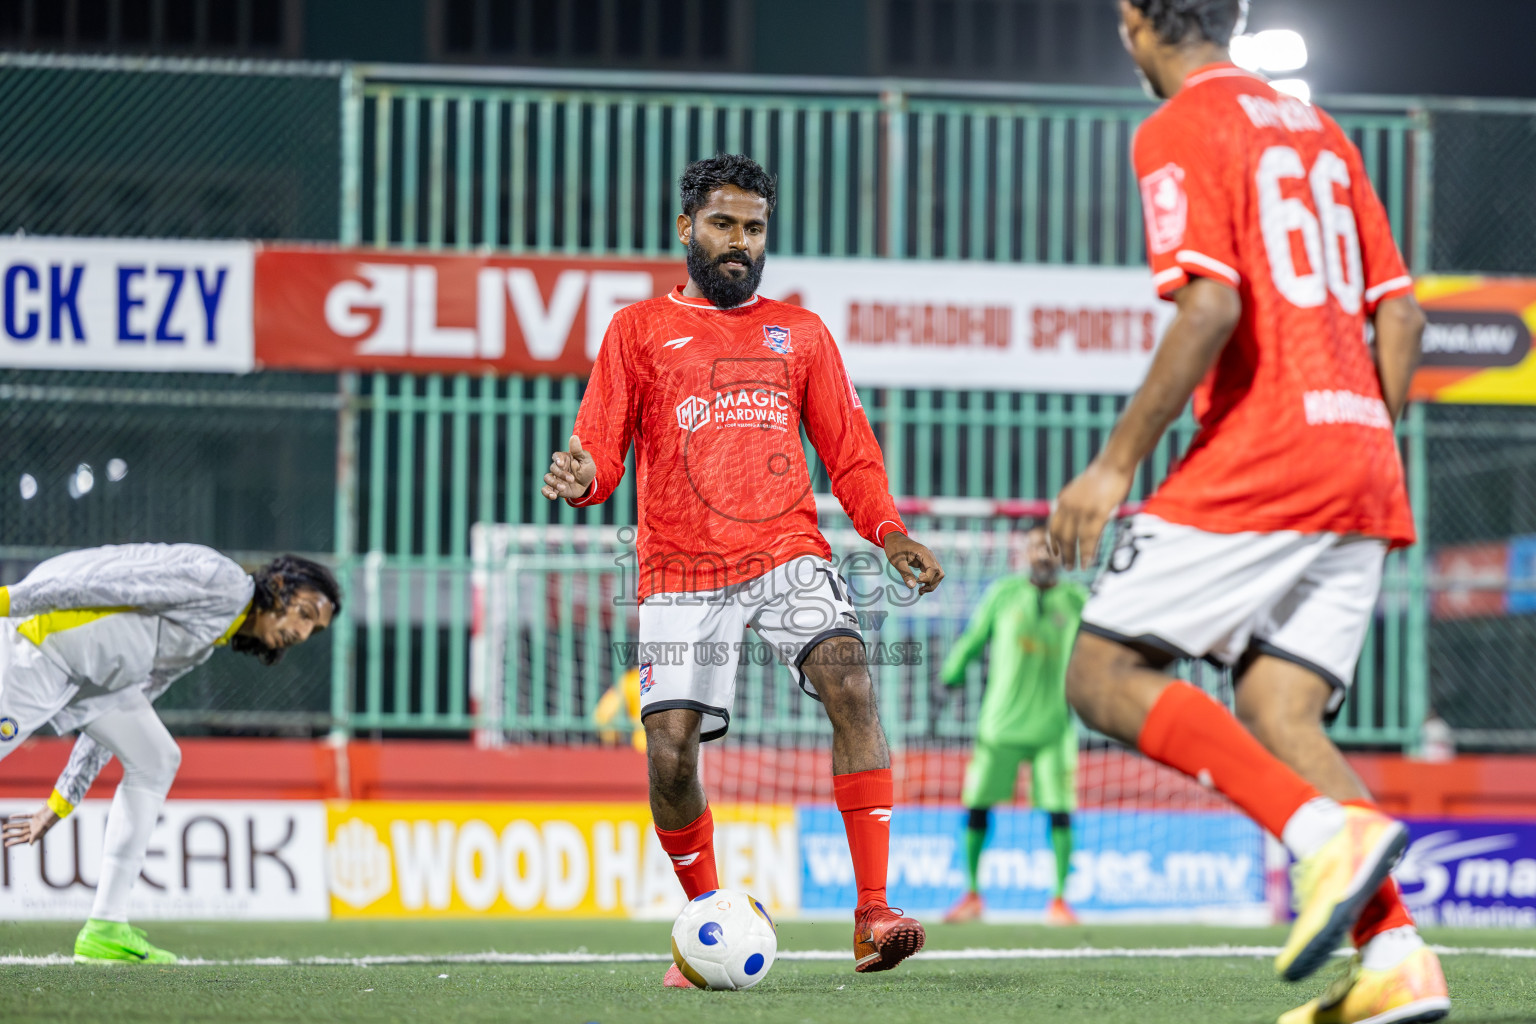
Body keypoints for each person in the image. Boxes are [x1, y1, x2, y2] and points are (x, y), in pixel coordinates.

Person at [1047, 3, 1447, 1023]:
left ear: (1134, 20)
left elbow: (1212, 305)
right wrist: (1360, 433)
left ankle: (1325, 838)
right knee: (1281, 711)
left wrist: (1112, 465)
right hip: (1365, 452)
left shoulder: (1178, 123)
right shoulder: (1319, 129)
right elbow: (1400, 311)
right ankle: (1398, 958)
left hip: (1269, 448)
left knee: (1100, 673)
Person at [540, 153, 945, 984]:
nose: (738, 242)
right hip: (679, 567)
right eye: (722, 225)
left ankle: (873, 913)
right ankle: (708, 923)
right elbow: (602, 457)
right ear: (685, 228)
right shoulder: (637, 331)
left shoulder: (800, 333)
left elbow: (851, 455)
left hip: (786, 553)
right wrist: (584, 482)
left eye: (753, 229)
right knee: (671, 757)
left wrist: (888, 531)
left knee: (853, 681)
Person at [1, 545, 340, 964]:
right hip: (35, 642)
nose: (303, 634)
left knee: (156, 757)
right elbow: (109, 583)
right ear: (280, 586)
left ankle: (106, 929)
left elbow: (128, 696)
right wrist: (9, 600)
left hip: (80, 675)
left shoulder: (206, 636)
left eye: (314, 629)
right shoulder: (223, 584)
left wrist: (61, 801)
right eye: (305, 613)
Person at [940, 524, 1087, 925]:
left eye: (1052, 548)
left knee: (1060, 810)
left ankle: (1059, 900)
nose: (1044, 554)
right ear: (1025, 553)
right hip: (999, 726)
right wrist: (950, 675)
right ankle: (971, 894)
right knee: (977, 804)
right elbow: (973, 638)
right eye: (1038, 546)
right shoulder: (1004, 595)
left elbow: (1100, 648)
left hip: (1054, 727)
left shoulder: (1076, 601)